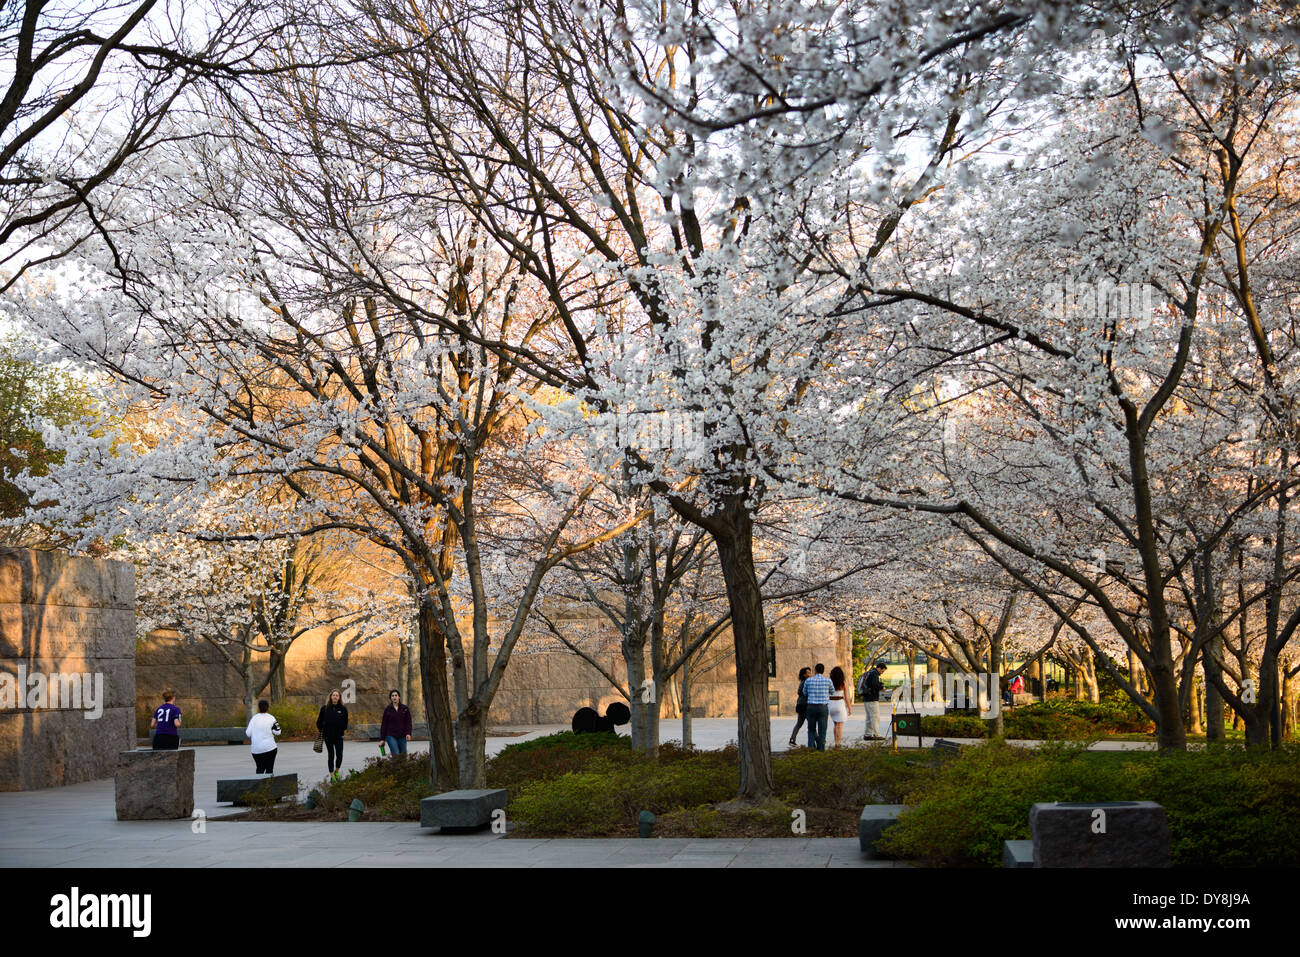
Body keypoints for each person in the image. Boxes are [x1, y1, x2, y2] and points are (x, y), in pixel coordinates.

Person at [316, 689, 349, 782]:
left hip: (339, 737)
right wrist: (323, 731)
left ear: (339, 698)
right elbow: (318, 722)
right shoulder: (324, 708)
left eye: (337, 695)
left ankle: (336, 772)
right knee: (331, 755)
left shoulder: (343, 709)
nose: (335, 697)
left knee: (339, 755)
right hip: (328, 737)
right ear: (330, 697)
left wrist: (341, 730)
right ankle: (332, 775)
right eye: (333, 695)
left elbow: (346, 723)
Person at [802, 663, 833, 751]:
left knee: (811, 729)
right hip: (823, 707)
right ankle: (821, 749)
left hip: (811, 707)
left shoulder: (808, 680)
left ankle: (811, 748)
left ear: (815, 670)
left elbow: (804, 692)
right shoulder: (828, 681)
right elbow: (832, 691)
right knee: (822, 729)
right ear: (823, 671)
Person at [245, 699, 281, 774]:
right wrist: (272, 730)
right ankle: (268, 785)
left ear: (259, 708)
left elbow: (248, 733)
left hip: (256, 750)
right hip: (270, 748)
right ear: (268, 708)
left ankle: (259, 785)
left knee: (260, 769)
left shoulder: (254, 718)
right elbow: (278, 732)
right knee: (269, 769)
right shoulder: (271, 718)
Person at [860, 660, 887, 741]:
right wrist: (881, 687)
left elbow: (871, 684)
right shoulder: (874, 674)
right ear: (879, 668)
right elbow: (874, 685)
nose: (882, 672)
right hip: (872, 699)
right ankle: (876, 734)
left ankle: (867, 734)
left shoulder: (870, 673)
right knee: (875, 717)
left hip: (866, 698)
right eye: (882, 670)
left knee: (869, 718)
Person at [380, 689, 412, 756]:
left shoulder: (405, 708)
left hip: (402, 735)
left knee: (403, 755)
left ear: (399, 697)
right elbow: (384, 725)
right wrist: (382, 739)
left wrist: (408, 733)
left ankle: (400, 766)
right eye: (392, 696)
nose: (394, 697)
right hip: (391, 735)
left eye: (396, 695)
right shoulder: (387, 709)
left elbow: (408, 722)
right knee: (396, 754)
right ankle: (396, 765)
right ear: (390, 698)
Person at [828, 665, 852, 748]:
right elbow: (847, 697)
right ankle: (838, 744)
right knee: (840, 725)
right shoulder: (843, 683)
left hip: (831, 704)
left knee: (835, 724)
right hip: (840, 703)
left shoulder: (829, 682)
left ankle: (835, 742)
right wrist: (849, 708)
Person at [788, 666, 811, 747]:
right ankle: (817, 739)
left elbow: (799, 692)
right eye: (808, 673)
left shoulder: (802, 681)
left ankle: (792, 739)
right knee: (811, 724)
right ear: (804, 675)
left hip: (801, 704)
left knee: (799, 724)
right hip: (805, 705)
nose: (810, 674)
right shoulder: (806, 682)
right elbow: (803, 693)